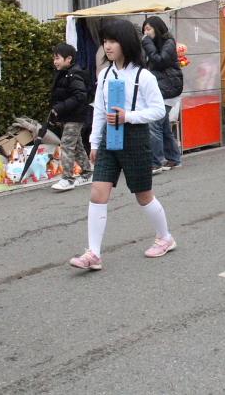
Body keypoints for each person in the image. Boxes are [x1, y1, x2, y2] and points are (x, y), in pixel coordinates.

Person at [69, 19, 175, 271]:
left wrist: (129, 116)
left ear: (126, 43)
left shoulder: (144, 76)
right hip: (109, 140)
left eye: (113, 41)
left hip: (135, 138)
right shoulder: (105, 74)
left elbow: (159, 110)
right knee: (97, 193)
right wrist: (94, 142)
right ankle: (93, 253)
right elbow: (99, 110)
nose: (107, 46)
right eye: (105, 41)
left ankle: (165, 237)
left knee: (143, 196)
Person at [141, 16, 183, 175]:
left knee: (154, 124)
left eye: (149, 29)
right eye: (144, 29)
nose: (146, 32)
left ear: (157, 29)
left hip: (168, 89)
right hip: (158, 89)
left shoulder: (169, 43)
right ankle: (174, 157)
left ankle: (156, 161)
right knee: (164, 125)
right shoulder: (151, 45)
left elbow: (160, 61)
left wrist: (147, 43)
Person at [50, 43, 94, 191]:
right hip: (70, 115)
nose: (55, 61)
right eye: (54, 58)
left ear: (69, 59)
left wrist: (60, 108)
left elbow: (80, 96)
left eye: (57, 58)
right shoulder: (64, 73)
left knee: (67, 145)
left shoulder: (74, 74)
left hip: (75, 116)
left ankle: (67, 178)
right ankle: (87, 173)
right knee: (76, 145)